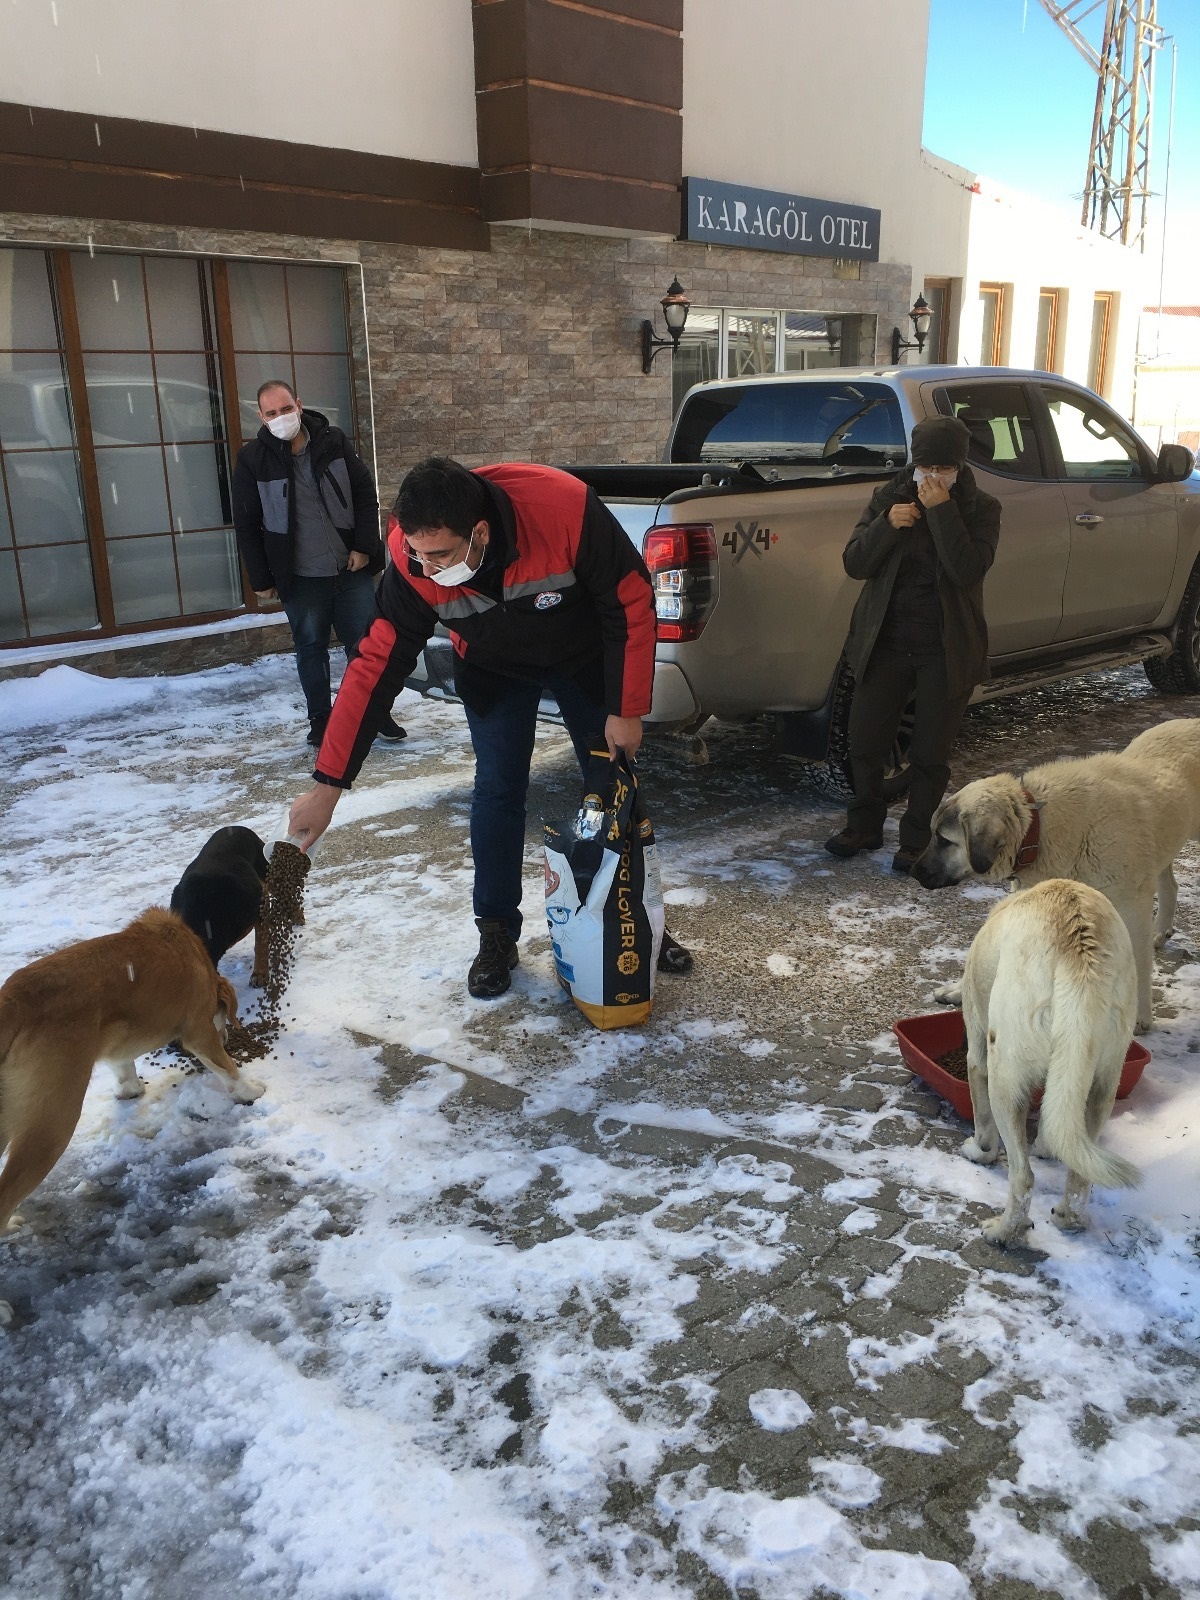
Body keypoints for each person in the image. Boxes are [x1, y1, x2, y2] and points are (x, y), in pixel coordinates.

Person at [286, 455, 693, 998]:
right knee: (498, 791)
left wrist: (626, 708)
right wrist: (327, 785)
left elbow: (630, 599)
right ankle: (496, 932)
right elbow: (374, 666)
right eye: (415, 553)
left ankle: (635, 920)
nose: (425, 569)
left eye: (439, 556)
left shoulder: (561, 508)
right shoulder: (414, 559)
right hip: (492, 666)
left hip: (583, 656)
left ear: (478, 533)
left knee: (613, 789)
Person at [825, 414, 1001, 874]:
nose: (933, 479)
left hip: (945, 646)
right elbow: (855, 564)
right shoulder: (890, 496)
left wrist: (942, 511)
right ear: (914, 463)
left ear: (959, 468)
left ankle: (916, 836)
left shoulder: (982, 508)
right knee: (864, 741)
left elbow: (968, 570)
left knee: (929, 753)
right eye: (926, 470)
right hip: (885, 640)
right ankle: (864, 825)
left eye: (944, 471)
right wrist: (886, 524)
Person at [233, 379, 406, 748]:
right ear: (262, 418)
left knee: (364, 645)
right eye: (272, 413)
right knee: (310, 648)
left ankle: (373, 713)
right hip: (301, 575)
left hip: (350, 569)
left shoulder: (333, 441)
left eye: (286, 409)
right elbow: (246, 523)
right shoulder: (252, 461)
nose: (281, 418)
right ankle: (321, 719)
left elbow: (364, 496)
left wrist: (363, 546)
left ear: (299, 403)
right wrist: (261, 577)